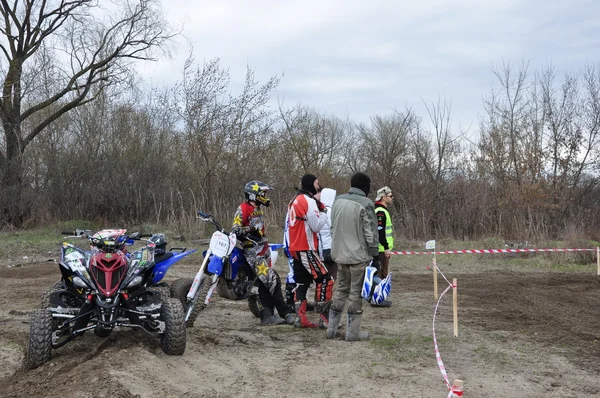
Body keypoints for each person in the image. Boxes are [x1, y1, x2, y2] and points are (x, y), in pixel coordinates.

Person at [232, 180, 294, 326]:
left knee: (264, 283)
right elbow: (235, 228)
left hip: (263, 249)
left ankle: (267, 315)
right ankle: (285, 312)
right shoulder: (243, 208)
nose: (265, 196)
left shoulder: (257, 208)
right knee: (273, 280)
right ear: (255, 195)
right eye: (263, 193)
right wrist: (249, 230)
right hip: (253, 252)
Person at [327, 172, 378, 341]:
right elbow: (370, 232)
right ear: (366, 186)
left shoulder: (338, 201)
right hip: (358, 257)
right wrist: (374, 253)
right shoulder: (367, 204)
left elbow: (333, 227)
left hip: (339, 255)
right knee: (355, 293)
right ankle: (352, 333)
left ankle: (331, 330)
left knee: (341, 290)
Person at [286, 174, 334, 328]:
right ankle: (325, 319)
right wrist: (324, 213)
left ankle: (300, 319)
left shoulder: (295, 199)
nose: (318, 186)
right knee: (326, 279)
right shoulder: (308, 201)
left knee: (302, 282)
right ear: (311, 184)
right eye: (317, 183)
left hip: (294, 246)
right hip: (305, 247)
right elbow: (317, 226)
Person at [372, 186, 394, 307]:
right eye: (390, 196)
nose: (392, 198)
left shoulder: (380, 210)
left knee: (380, 273)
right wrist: (386, 248)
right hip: (380, 249)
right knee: (381, 274)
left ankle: (377, 298)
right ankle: (378, 299)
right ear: (384, 197)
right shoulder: (380, 211)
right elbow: (380, 231)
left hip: (380, 248)